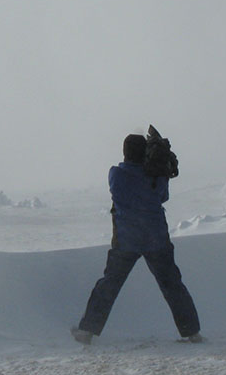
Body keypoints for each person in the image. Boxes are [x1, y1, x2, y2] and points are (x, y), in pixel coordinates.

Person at [72, 133, 202, 344]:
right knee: (172, 285)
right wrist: (160, 166)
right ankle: (192, 333)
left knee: (109, 285)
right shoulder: (156, 176)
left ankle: (87, 331)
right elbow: (162, 197)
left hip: (126, 240)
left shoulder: (116, 174)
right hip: (156, 238)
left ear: (125, 153)